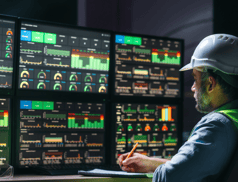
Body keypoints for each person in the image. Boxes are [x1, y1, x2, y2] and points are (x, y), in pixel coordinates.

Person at [118, 34, 238, 182]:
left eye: (195, 79)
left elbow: (171, 177)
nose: (193, 88)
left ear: (211, 84)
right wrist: (150, 163)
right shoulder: (234, 119)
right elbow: (194, 167)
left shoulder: (217, 125)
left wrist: (162, 170)